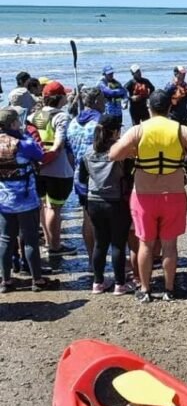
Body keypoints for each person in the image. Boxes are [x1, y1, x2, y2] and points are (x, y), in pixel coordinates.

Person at [109, 90, 187, 302]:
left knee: (145, 243)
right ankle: (169, 289)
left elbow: (113, 154)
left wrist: (133, 152)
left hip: (144, 196)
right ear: (170, 108)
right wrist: (184, 151)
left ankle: (145, 290)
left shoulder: (138, 130)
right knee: (169, 245)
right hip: (173, 195)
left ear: (149, 108)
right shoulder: (181, 130)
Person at [0, 108, 59, 292]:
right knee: (30, 239)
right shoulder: (23, 143)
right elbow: (40, 155)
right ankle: (37, 280)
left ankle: (6, 281)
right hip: (26, 199)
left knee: (5, 239)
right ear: (12, 124)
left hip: (3, 199)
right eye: (18, 121)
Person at [79, 115, 134, 294]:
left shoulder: (88, 151)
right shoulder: (120, 152)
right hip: (116, 201)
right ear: (115, 131)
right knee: (118, 243)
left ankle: (98, 282)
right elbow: (129, 175)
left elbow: (82, 178)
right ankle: (120, 284)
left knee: (100, 243)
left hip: (94, 201)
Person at [31, 81, 75, 256]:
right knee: (54, 208)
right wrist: (51, 155)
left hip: (37, 166)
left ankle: (49, 242)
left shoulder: (34, 116)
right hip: (57, 167)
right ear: (60, 98)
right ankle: (55, 246)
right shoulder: (61, 117)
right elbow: (60, 141)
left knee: (43, 204)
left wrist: (40, 160)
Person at [66, 87, 104, 264]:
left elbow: (69, 154)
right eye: (103, 99)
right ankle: (99, 261)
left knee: (87, 217)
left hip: (78, 175)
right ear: (96, 101)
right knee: (102, 221)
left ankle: (92, 258)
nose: (105, 103)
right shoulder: (99, 122)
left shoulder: (73, 122)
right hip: (98, 176)